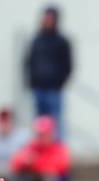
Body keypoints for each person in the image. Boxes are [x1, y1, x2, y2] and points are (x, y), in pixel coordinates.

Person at [26, 6, 73, 137]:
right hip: (38, 88)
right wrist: (32, 82)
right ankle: (40, 152)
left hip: (54, 90)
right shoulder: (37, 40)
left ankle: (58, 152)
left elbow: (68, 66)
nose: (46, 21)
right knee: (39, 123)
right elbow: (29, 62)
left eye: (49, 18)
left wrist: (59, 83)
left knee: (56, 123)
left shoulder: (62, 41)